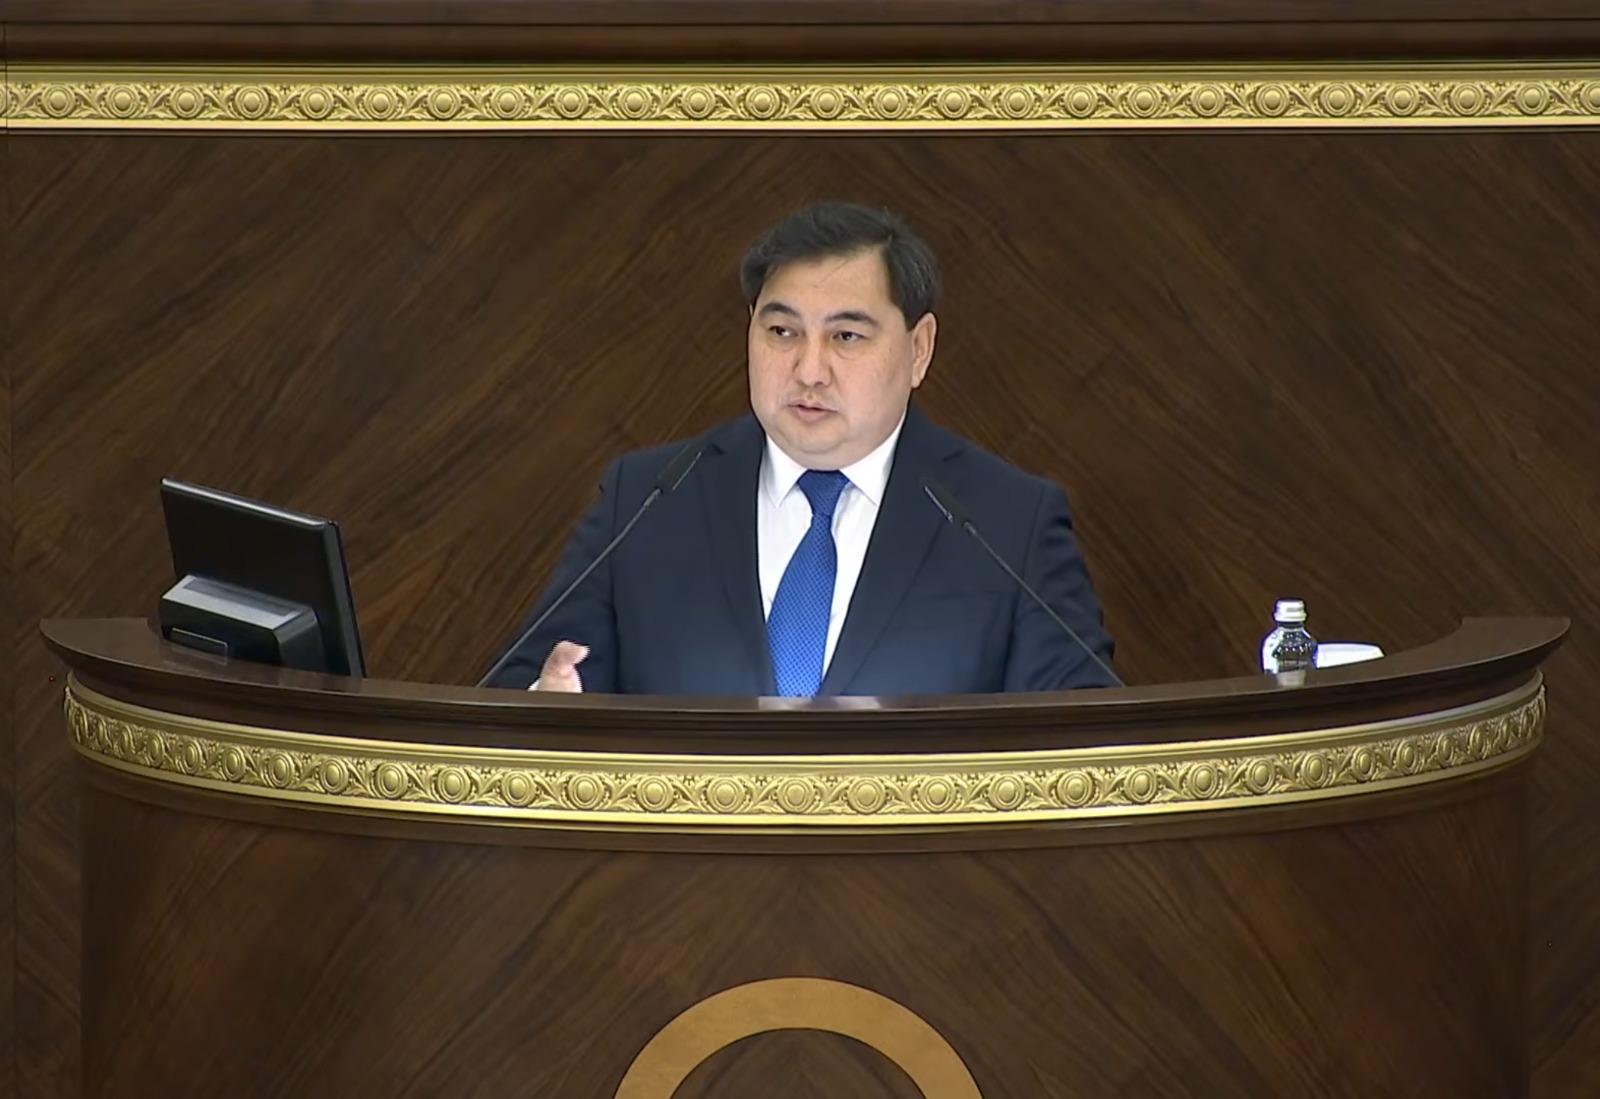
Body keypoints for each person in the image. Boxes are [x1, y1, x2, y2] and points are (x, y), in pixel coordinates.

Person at [484, 201, 1116, 696]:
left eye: (846, 336)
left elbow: (1085, 735)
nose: (809, 370)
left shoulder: (1008, 521)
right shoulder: (647, 499)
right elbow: (523, 688)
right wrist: (548, 703)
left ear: (918, 349)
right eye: (782, 331)